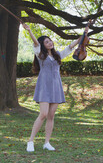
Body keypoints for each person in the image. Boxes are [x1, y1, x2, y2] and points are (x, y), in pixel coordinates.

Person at [22, 23, 89, 152]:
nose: (50, 43)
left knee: (51, 116)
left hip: (56, 87)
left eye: (50, 41)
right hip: (44, 87)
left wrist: (83, 34)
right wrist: (30, 30)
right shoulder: (40, 55)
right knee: (43, 114)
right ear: (43, 45)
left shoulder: (58, 55)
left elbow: (71, 46)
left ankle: (47, 142)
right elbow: (36, 43)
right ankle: (30, 141)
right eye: (46, 42)